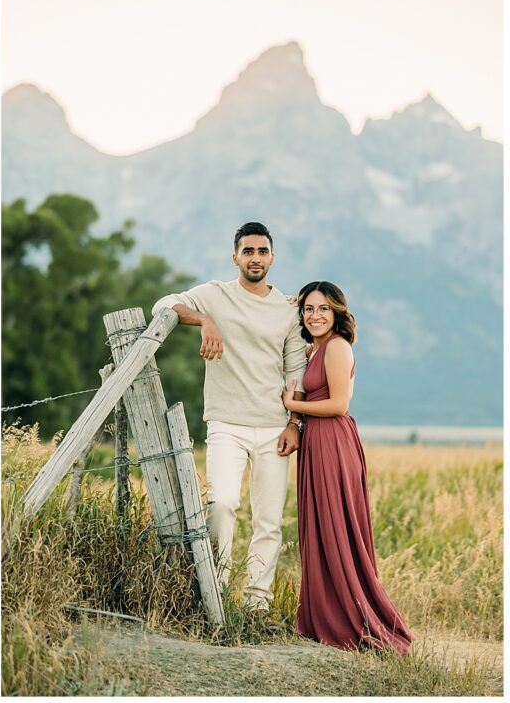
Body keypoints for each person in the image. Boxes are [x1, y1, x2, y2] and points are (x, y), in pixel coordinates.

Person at [152, 221, 306, 611]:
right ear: (235, 257)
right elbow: (163, 305)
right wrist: (205, 320)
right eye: (248, 251)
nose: (255, 258)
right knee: (221, 504)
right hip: (226, 424)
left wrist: (294, 423)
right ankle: (215, 593)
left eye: (262, 251)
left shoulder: (287, 310)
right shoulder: (214, 295)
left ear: (272, 258)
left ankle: (257, 603)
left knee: (268, 520)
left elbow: (296, 371)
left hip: (274, 426)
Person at [282, 281, 413, 653]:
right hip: (316, 443)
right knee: (321, 529)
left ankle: (355, 620)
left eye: (324, 308)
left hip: (332, 442)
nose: (315, 315)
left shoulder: (337, 347)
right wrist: (289, 304)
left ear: (337, 312)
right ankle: (326, 615)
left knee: (337, 527)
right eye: (309, 309)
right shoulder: (315, 348)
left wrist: (292, 405)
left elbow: (339, 404)